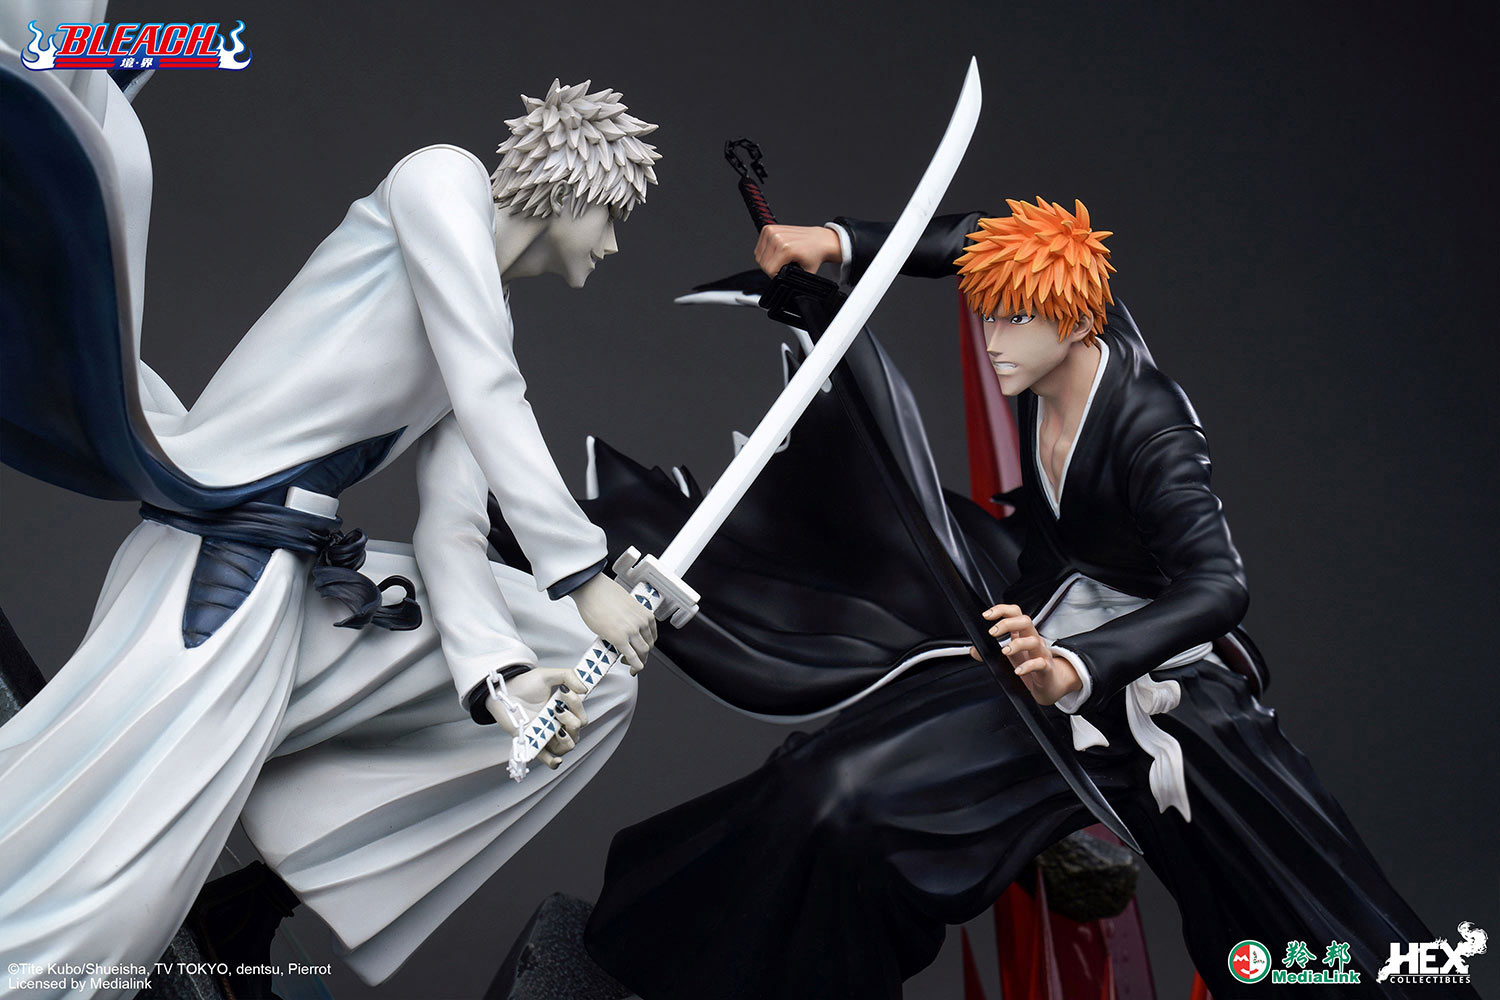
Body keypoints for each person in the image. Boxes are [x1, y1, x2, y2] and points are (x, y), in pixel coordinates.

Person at [581, 200, 1478, 998]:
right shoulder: (1046, 345)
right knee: (823, 785)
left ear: (1078, 321)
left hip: (1161, 700)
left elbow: (1219, 586)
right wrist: (837, 241)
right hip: (1036, 643)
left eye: (1015, 321)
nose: (994, 342)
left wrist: (1080, 667)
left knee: (1313, 946)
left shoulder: (1151, 427)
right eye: (989, 316)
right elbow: (974, 236)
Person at [1, 22, 660, 992]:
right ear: (572, 187)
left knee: (585, 673)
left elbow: (452, 533)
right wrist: (584, 573)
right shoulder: (442, 182)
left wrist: (502, 679)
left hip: (294, 587)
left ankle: (258, 892)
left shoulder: (480, 324)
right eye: (611, 217)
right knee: (93, 890)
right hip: (218, 562)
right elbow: (490, 383)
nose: (610, 243)